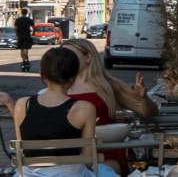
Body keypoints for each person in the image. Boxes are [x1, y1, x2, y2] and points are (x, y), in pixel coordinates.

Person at [0, 48, 117, 176]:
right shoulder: (85, 108)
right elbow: (88, 158)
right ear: (74, 76)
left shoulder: (22, 105)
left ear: (41, 74)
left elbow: (22, 151)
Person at [60, 39, 159, 174]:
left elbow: (149, 112)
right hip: (68, 154)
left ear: (88, 57)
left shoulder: (109, 86)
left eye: (69, 54)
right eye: (61, 54)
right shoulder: (58, 87)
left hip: (106, 151)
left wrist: (143, 98)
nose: (64, 59)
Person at [15, 7, 34, 72]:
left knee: (21, 49)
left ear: (21, 13)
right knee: (26, 48)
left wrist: (17, 34)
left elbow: (15, 28)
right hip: (27, 35)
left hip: (20, 36)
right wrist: (33, 33)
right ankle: (25, 60)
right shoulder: (29, 19)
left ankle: (23, 60)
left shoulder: (18, 20)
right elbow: (33, 26)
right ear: (27, 13)